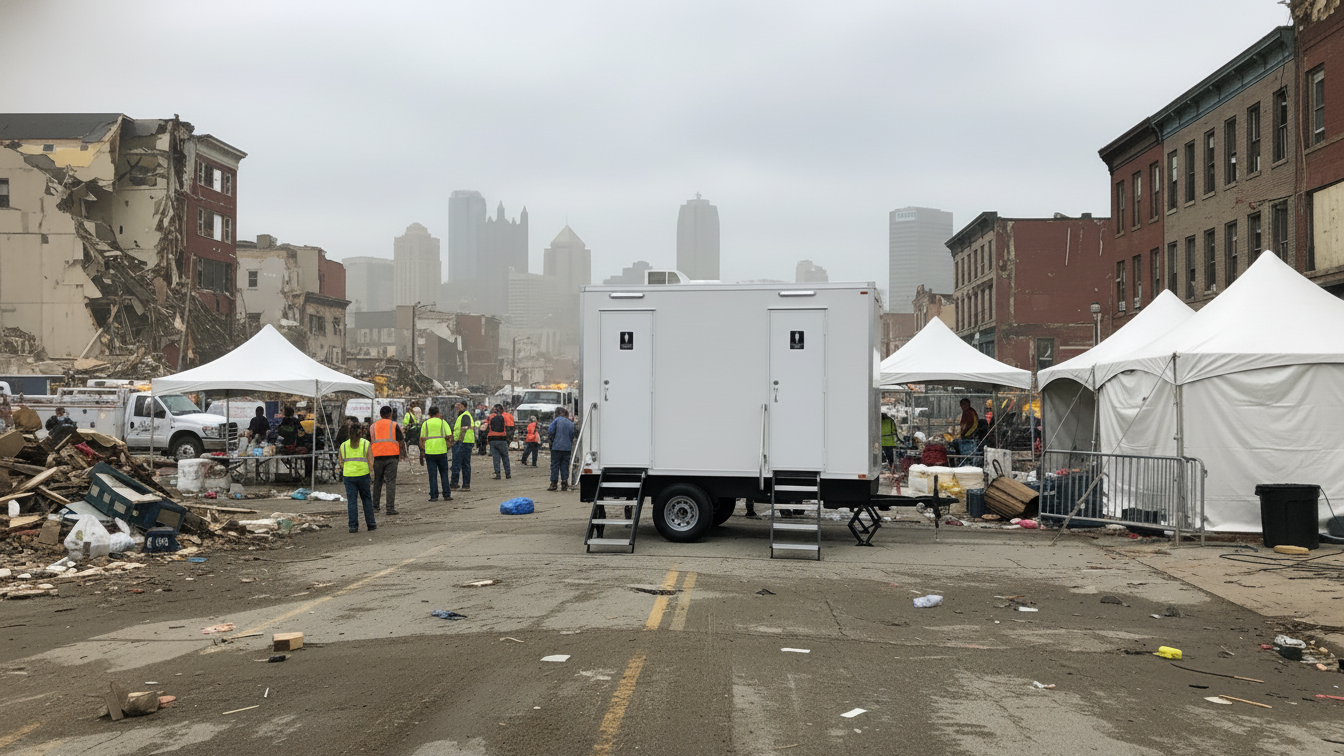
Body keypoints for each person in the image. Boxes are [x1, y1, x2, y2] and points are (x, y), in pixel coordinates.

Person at [339, 422, 376, 533]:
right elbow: (370, 461)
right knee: (366, 499)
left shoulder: (343, 445)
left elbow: (340, 462)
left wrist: (348, 468)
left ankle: (353, 526)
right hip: (363, 475)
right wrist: (372, 473)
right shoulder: (365, 443)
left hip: (348, 476)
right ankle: (371, 524)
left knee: (352, 501)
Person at [369, 406, 406, 515]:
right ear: (390, 414)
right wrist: (402, 454)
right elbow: (401, 441)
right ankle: (390, 508)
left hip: (377, 457)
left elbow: (368, 441)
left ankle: (375, 507)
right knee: (390, 482)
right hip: (392, 457)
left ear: (380, 415)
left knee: (377, 481)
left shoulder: (373, 426)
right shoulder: (394, 425)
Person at [420, 406, 453, 502]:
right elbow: (450, 437)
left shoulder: (425, 423)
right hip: (442, 452)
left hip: (430, 452)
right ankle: (446, 494)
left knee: (432, 475)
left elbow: (421, 439)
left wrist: (423, 451)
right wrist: (447, 446)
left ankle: (434, 496)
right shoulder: (443, 422)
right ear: (438, 413)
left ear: (429, 414)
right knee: (444, 473)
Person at [547, 407, 576, 492]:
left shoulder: (556, 421)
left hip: (556, 447)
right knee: (565, 465)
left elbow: (550, 431)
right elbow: (572, 435)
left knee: (555, 465)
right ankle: (564, 483)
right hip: (567, 448)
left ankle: (554, 483)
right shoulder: (570, 423)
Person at [451, 401, 476, 491]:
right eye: (456, 406)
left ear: (463, 406)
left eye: (459, 405)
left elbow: (464, 429)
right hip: (466, 442)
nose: (457, 407)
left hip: (462, 442)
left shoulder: (465, 415)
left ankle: (454, 483)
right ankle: (465, 485)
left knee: (457, 463)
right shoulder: (464, 415)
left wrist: (459, 440)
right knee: (465, 464)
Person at [486, 404, 511, 479]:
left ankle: (498, 473)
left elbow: (486, 428)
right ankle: (507, 473)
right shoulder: (505, 416)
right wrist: (509, 439)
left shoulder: (490, 417)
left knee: (496, 457)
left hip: (492, 439)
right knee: (505, 457)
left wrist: (486, 440)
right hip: (502, 439)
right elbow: (509, 428)